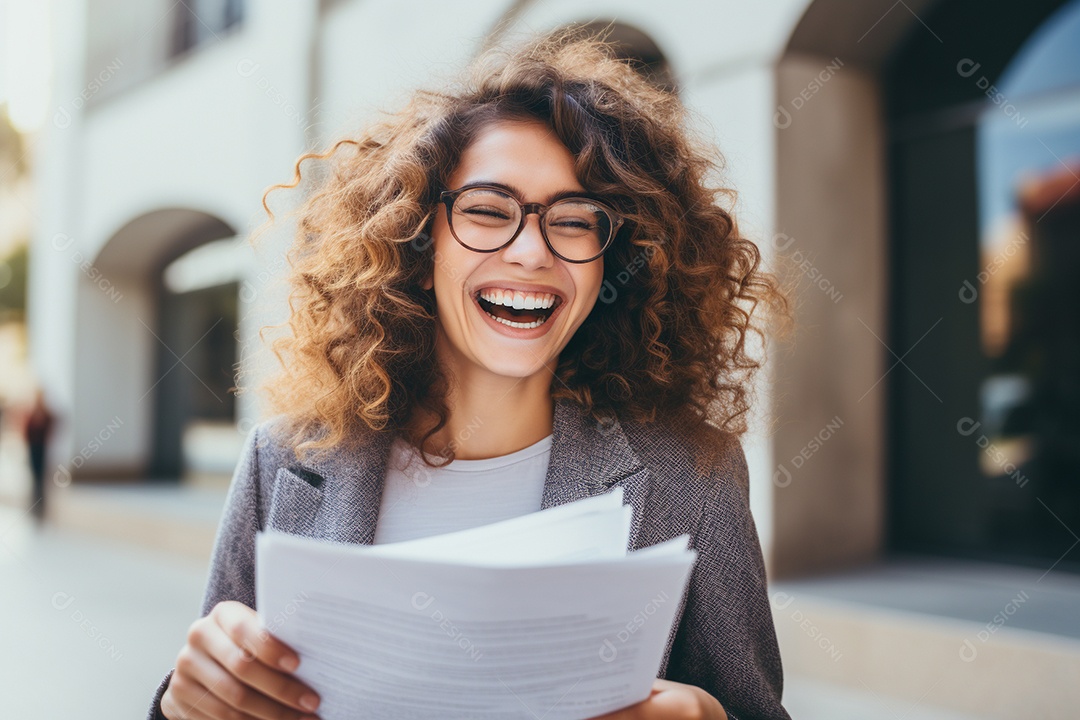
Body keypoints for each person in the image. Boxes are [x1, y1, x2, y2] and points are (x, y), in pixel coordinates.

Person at [150, 26, 790, 720]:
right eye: (488, 211)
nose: (530, 252)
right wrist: (184, 705)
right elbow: (222, 691)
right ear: (420, 244)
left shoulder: (691, 478)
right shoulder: (285, 461)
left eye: (575, 222)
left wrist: (704, 715)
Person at [22, 387, 55, 522]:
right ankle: (34, 500)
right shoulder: (31, 413)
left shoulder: (46, 413)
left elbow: (52, 423)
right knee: (34, 474)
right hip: (33, 447)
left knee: (41, 474)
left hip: (41, 447)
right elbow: (26, 429)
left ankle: (41, 500)